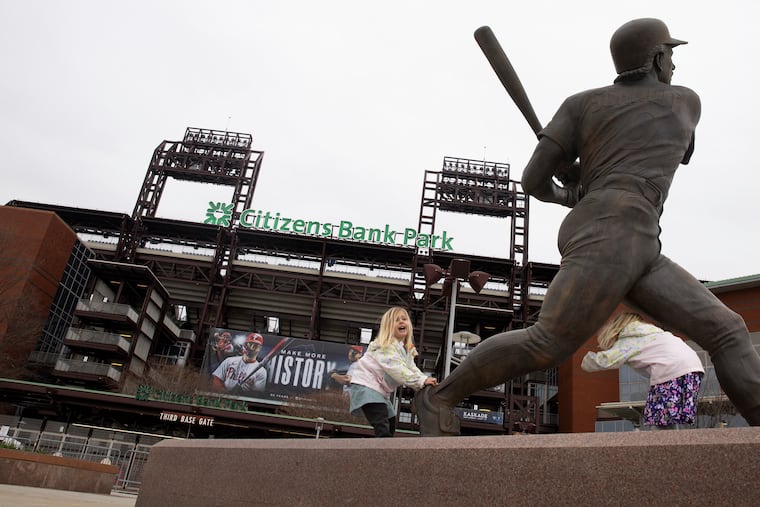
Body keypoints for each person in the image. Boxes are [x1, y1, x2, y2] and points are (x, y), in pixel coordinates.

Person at [412, 18, 760, 436]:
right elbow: (651, 151)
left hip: (636, 238)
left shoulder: (582, 105)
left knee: (726, 330)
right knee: (547, 342)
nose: (673, 63)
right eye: (669, 54)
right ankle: (439, 397)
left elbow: (534, 181)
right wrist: (580, 185)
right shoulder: (685, 101)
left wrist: (572, 186)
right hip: (610, 234)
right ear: (655, 58)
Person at [582, 312, 704, 429]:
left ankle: (659, 448)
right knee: (677, 418)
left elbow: (605, 360)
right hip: (693, 369)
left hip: (671, 369)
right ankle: (680, 446)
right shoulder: (652, 332)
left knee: (658, 419)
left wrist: (584, 362)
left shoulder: (629, 338)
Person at [349, 307, 437, 437]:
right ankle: (383, 452)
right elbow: (397, 369)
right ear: (388, 327)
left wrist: (423, 379)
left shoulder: (405, 350)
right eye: (396, 320)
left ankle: (385, 450)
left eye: (404, 319)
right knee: (381, 423)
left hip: (378, 390)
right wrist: (421, 381)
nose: (401, 322)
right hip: (366, 386)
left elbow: (411, 368)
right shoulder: (386, 347)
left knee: (390, 423)